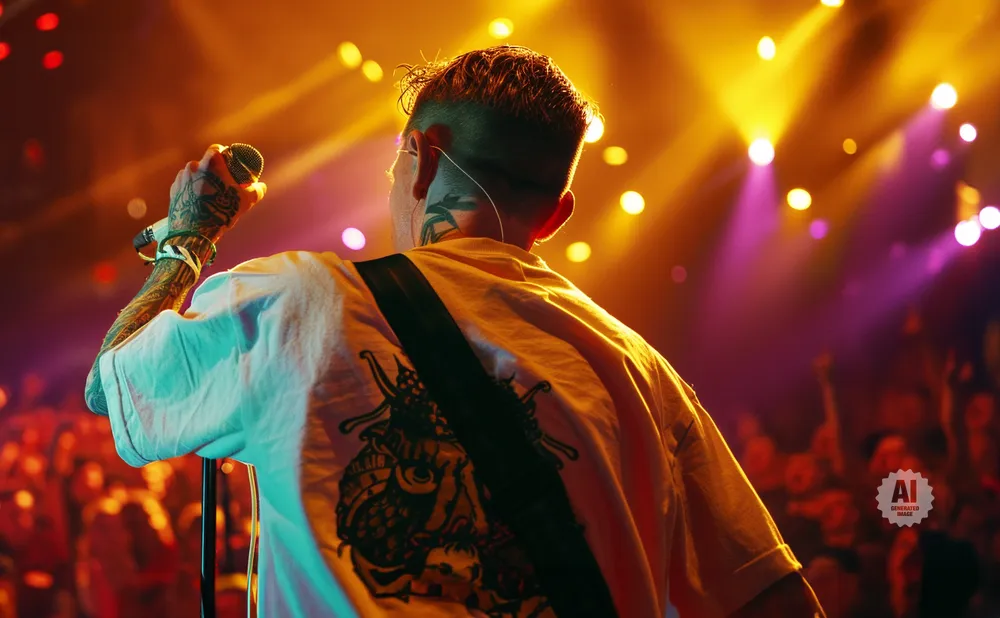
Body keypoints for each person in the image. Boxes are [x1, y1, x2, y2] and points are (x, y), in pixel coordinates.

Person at [83, 45, 823, 617]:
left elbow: (111, 381)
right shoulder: (642, 375)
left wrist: (189, 239)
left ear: (425, 154)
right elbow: (776, 602)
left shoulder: (300, 304)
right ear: (557, 214)